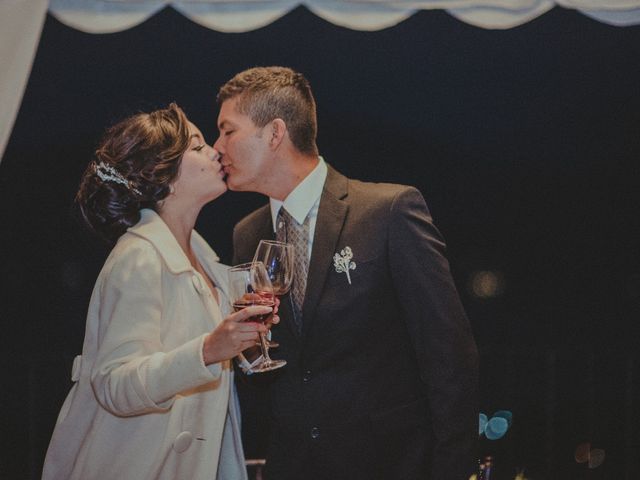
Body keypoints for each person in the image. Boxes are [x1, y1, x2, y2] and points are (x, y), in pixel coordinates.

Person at [214, 66, 480, 480]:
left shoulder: (387, 212)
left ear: (274, 133)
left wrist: (450, 469)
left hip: (393, 464)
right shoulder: (246, 234)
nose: (218, 147)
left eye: (227, 131)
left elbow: (450, 354)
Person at [41, 103, 274, 480]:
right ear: (162, 175)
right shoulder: (139, 257)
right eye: (197, 147)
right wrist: (210, 349)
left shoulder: (204, 257)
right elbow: (114, 383)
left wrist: (243, 342)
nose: (215, 151)